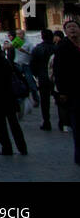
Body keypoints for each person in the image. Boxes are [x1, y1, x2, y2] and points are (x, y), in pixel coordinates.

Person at [0, 36, 27, 156]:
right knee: (14, 123)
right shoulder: (5, 61)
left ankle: (6, 148)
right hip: (8, 95)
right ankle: (22, 147)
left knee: (0, 125)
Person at [50, 18, 80, 165]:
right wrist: (61, 91)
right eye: (69, 27)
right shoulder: (62, 47)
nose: (73, 29)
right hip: (72, 91)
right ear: (66, 32)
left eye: (75, 26)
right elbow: (58, 70)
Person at [31, 29, 56, 131]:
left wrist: (36, 75)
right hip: (55, 77)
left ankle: (46, 121)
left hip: (42, 77)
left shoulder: (38, 48)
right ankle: (63, 122)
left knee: (44, 101)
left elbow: (33, 64)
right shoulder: (57, 48)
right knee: (59, 100)